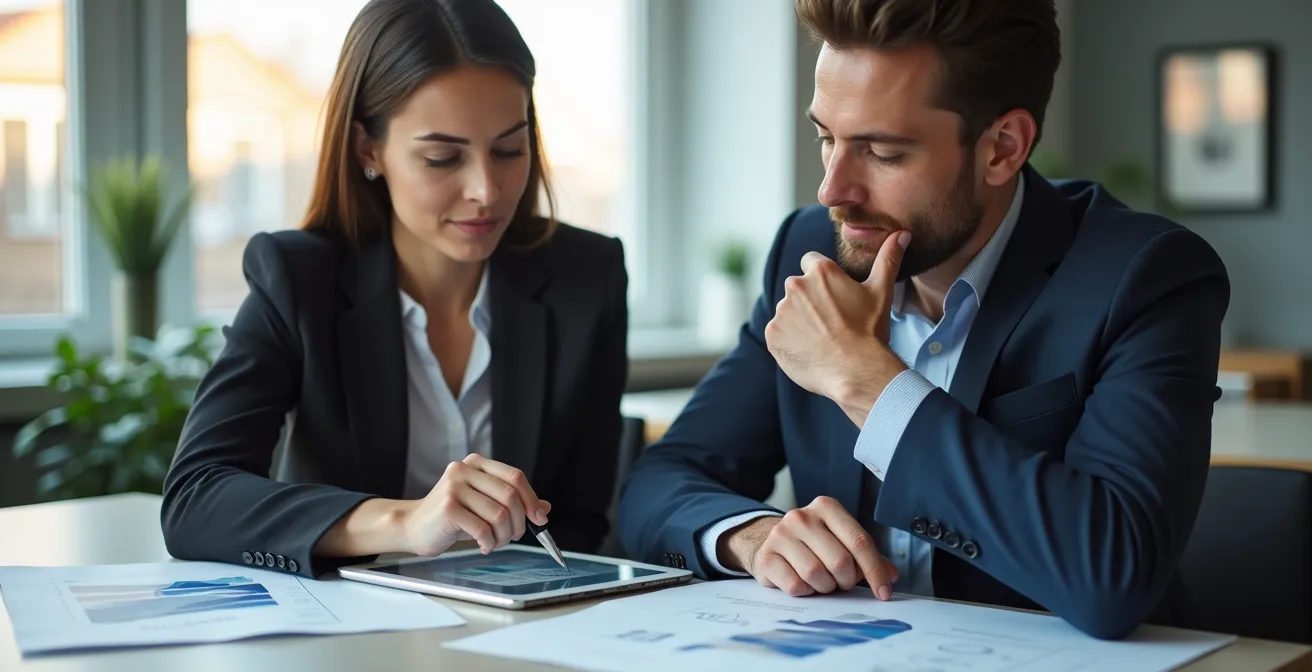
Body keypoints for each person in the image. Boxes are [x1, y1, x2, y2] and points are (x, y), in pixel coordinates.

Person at [617, 0, 1229, 641]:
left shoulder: (1145, 276)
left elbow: (1115, 575)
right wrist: (751, 535)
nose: (832, 189)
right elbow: (659, 484)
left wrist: (869, 385)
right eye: (826, 138)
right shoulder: (813, 253)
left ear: (1002, 148)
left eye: (881, 153)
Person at [161, 0, 628, 579]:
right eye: (441, 158)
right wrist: (407, 522)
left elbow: (581, 520)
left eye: (510, 149)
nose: (486, 189)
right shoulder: (298, 278)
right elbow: (196, 499)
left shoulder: (588, 276)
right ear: (368, 149)